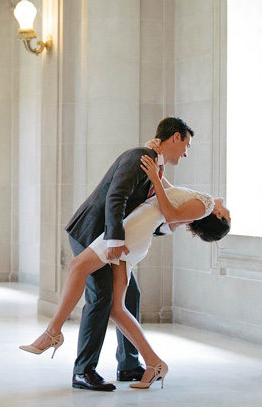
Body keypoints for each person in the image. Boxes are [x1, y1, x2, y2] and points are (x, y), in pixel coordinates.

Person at [20, 154, 231, 390]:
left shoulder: (207, 204)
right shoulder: (199, 203)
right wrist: (158, 170)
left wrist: (154, 177)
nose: (226, 207)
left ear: (219, 216)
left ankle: (52, 332)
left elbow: (170, 214)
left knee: (76, 267)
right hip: (136, 232)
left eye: (228, 213)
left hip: (133, 232)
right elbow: (170, 195)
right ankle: (154, 363)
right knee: (116, 309)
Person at [32, 116, 195, 392]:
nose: (186, 152)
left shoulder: (155, 166)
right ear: (175, 137)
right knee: (102, 297)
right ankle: (83, 371)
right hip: (90, 233)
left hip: (108, 239)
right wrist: (115, 239)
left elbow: (146, 211)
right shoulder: (140, 157)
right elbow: (116, 198)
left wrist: (170, 225)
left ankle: (129, 364)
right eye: (186, 144)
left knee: (131, 295)